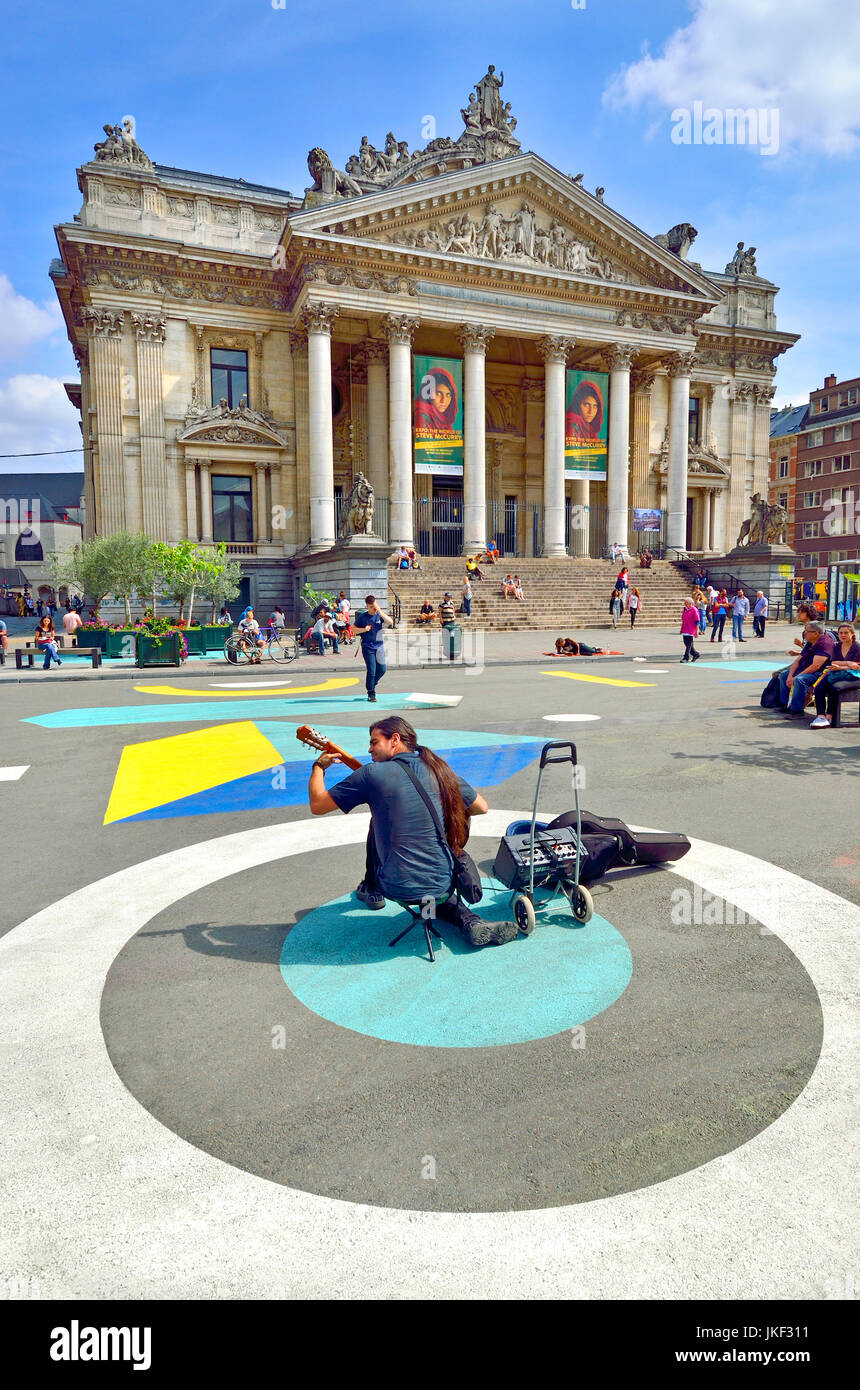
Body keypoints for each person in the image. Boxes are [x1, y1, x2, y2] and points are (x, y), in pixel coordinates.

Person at [308, 716, 525, 946]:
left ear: (395, 739)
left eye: (374, 742)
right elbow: (481, 807)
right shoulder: (439, 770)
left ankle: (372, 887)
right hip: (442, 881)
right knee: (429, 890)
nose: (369, 748)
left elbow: (318, 805)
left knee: (378, 821)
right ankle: (469, 921)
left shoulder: (371, 774)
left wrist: (319, 766)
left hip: (395, 885)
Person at [777, 621, 836, 717]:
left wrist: (795, 677)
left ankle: (797, 711)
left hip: (821, 673)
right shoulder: (810, 642)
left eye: (807, 631)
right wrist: (790, 675)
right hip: (808, 670)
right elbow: (797, 660)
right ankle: (785, 705)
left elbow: (815, 666)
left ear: (816, 633)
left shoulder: (825, 643)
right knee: (784, 674)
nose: (804, 633)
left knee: (800, 680)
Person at [809, 623, 860, 728]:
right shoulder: (837, 645)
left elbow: (857, 667)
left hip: (855, 677)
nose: (843, 635)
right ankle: (821, 716)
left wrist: (842, 666)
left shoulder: (857, 647)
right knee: (819, 688)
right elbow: (833, 662)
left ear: (852, 634)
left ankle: (829, 716)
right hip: (838, 673)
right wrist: (849, 663)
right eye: (841, 633)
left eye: (846, 633)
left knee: (835, 688)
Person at [353, 594, 394, 702]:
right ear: (367, 606)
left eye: (375, 606)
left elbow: (390, 622)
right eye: (371, 607)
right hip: (368, 647)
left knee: (382, 669)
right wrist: (364, 629)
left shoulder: (379, 615)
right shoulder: (363, 617)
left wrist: (380, 611)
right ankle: (371, 692)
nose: (374, 609)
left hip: (379, 646)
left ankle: (372, 683)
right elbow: (354, 629)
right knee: (372, 670)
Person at [679, 599, 701, 663]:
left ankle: (686, 657)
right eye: (685, 603)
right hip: (685, 628)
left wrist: (697, 631)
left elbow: (697, 621)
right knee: (686, 642)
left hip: (691, 628)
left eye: (686, 603)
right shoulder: (685, 609)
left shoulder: (694, 610)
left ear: (690, 603)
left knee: (689, 644)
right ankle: (695, 654)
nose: (685, 604)